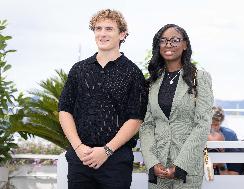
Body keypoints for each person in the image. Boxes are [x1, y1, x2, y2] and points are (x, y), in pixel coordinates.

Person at [58, 9, 147, 189]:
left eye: (109, 29)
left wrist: (106, 151)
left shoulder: (133, 73)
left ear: (122, 34)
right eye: (98, 29)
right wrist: (78, 147)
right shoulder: (79, 70)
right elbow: (64, 110)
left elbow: (136, 118)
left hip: (115, 162)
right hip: (80, 159)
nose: (102, 34)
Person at [139, 24, 214, 189]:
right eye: (163, 41)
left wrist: (180, 165)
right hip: (159, 168)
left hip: (187, 168)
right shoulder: (153, 81)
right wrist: (152, 162)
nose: (168, 45)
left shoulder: (199, 78)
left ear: (185, 45)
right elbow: (147, 125)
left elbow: (202, 124)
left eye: (175, 40)